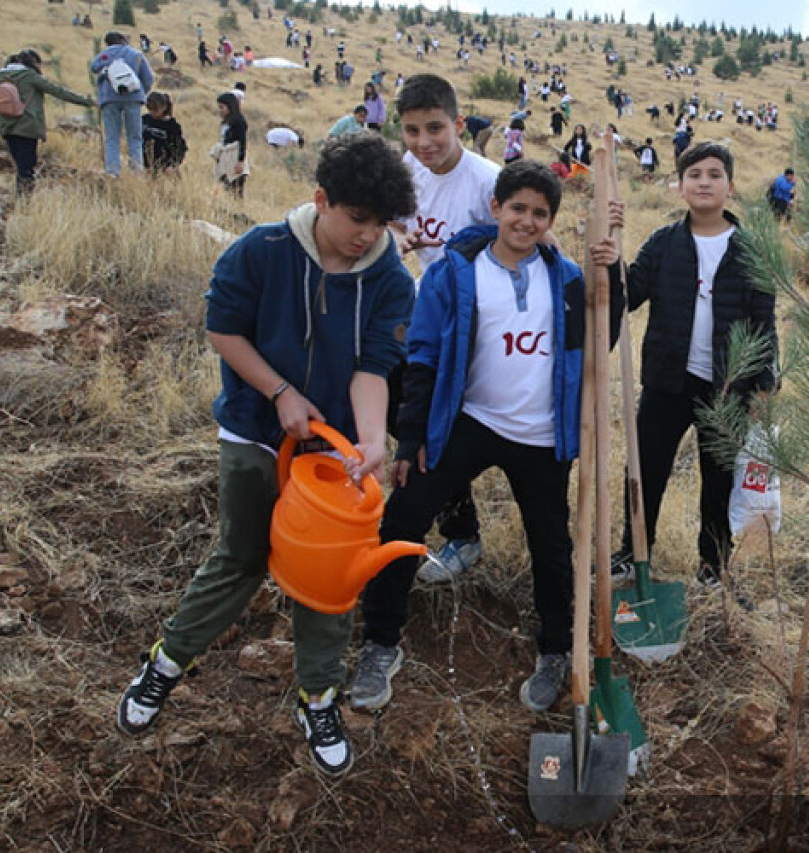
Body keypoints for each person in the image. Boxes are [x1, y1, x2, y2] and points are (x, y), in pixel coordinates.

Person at [114, 134, 418, 778]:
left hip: (330, 451)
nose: (366, 236)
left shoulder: (391, 279)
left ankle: (317, 697)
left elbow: (374, 366)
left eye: (380, 224)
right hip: (256, 428)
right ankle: (166, 664)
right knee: (241, 556)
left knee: (329, 579)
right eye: (356, 219)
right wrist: (279, 391)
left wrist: (368, 438)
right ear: (321, 200)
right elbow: (223, 330)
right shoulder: (264, 249)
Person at [359, 160, 622, 714]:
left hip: (542, 436)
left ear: (551, 220)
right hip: (471, 422)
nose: (526, 221)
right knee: (404, 516)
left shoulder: (569, 278)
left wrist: (612, 274)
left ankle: (556, 651)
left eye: (539, 213)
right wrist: (411, 438)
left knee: (552, 546)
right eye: (517, 208)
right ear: (496, 208)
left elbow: (603, 337)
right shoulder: (455, 270)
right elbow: (424, 353)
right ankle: (380, 642)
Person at [605, 142, 778, 596]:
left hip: (728, 387)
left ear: (730, 186)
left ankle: (712, 564)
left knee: (717, 478)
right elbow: (629, 293)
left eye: (714, 174)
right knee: (646, 468)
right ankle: (633, 549)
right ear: (680, 186)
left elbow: (765, 323)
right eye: (695, 174)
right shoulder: (664, 243)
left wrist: (763, 385)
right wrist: (609, 260)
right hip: (666, 381)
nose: (704, 181)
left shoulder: (752, 250)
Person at [0, 49, 95, 194]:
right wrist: (88, 102)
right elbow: (58, 91)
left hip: (6, 127)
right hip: (27, 127)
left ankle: (21, 196)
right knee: (27, 167)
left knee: (19, 165)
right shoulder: (30, 76)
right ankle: (25, 199)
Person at [91, 31, 155, 177]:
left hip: (110, 100)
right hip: (133, 99)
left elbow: (93, 67)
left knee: (112, 137)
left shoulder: (104, 55)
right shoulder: (136, 54)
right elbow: (149, 78)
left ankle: (113, 171)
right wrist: (140, 93)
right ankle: (136, 171)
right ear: (122, 40)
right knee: (135, 137)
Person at [141, 92, 187, 173]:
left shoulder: (172, 125)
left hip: (165, 168)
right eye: (149, 108)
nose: (152, 112)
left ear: (164, 107)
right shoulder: (144, 120)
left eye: (155, 109)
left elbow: (179, 147)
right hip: (146, 166)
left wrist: (173, 165)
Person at [212, 92, 248, 197]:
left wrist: (240, 161)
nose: (220, 110)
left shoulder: (239, 122)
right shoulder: (225, 122)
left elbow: (242, 142)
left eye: (222, 107)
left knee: (235, 190)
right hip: (225, 158)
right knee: (223, 186)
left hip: (235, 157)